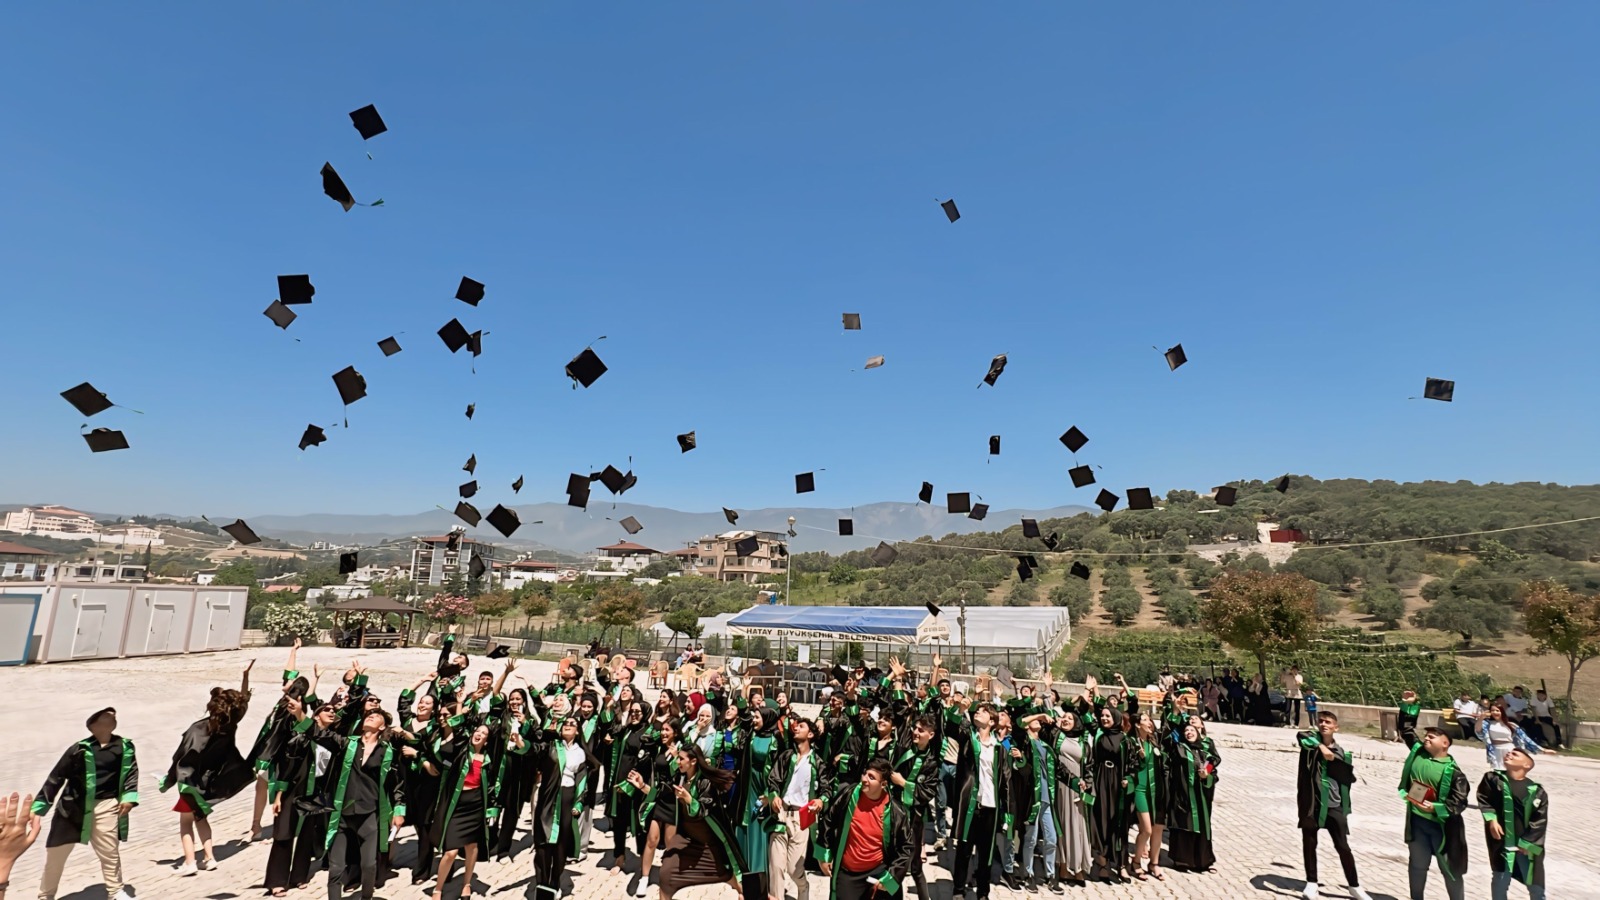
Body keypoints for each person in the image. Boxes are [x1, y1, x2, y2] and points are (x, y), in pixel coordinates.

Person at [158, 662, 256, 876]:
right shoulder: (230, 726)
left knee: (186, 822)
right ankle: (209, 858)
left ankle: (190, 862)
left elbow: (180, 757)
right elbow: (243, 703)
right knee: (201, 818)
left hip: (190, 783)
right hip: (210, 782)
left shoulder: (198, 729)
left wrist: (168, 780)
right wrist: (245, 678)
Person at [32, 707, 139, 900]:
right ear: (93, 726)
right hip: (72, 808)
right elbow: (57, 777)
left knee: (110, 851)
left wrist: (129, 797)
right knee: (56, 854)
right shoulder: (79, 749)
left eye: (113, 719)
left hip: (107, 805)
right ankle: (45, 895)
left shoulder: (125, 746)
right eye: (105, 719)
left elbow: (132, 773)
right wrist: (40, 806)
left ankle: (115, 891)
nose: (111, 721)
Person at [1296, 711, 1370, 900]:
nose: (1323, 724)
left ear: (1336, 727)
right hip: (1312, 804)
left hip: (1334, 805)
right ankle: (1311, 883)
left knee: (1343, 846)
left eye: (1328, 722)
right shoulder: (1310, 744)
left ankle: (1354, 885)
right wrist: (1321, 746)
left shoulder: (1341, 752)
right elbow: (1302, 736)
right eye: (1320, 721)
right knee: (1310, 843)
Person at [658, 743, 745, 900]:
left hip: (708, 845)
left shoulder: (705, 782)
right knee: (666, 875)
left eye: (681, 759)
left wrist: (689, 799)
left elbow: (704, 809)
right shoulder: (681, 777)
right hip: (688, 840)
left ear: (693, 761)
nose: (677, 762)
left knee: (734, 879)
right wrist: (642, 786)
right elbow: (662, 793)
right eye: (678, 758)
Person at [817, 758, 913, 900]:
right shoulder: (849, 796)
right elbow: (828, 820)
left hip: (879, 871)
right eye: (865, 774)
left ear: (884, 784)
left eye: (871, 777)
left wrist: (890, 879)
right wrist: (823, 856)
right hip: (849, 872)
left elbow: (906, 848)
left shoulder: (897, 812)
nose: (865, 779)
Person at [1399, 726, 1470, 900]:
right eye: (1426, 736)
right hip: (1417, 823)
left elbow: (1459, 801)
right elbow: (1406, 730)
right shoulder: (1418, 753)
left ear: (1445, 743)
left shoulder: (1454, 772)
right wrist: (1409, 706)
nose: (1426, 739)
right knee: (1417, 865)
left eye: (1432, 737)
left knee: (1450, 870)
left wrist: (1436, 808)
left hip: (1442, 828)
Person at [951, 700, 1012, 900]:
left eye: (984, 712)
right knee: (964, 849)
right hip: (969, 804)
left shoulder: (1000, 748)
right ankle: (958, 890)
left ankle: (983, 893)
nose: (978, 713)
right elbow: (950, 725)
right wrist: (960, 709)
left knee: (985, 853)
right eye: (977, 711)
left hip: (990, 807)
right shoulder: (969, 738)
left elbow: (1006, 782)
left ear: (992, 721)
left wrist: (1008, 814)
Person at [765, 716, 830, 900]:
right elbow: (773, 781)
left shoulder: (817, 762)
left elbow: (826, 789)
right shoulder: (786, 756)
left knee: (794, 870)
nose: (796, 728)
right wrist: (774, 796)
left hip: (802, 818)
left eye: (801, 726)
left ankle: (803, 889)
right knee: (776, 867)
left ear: (810, 734)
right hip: (781, 814)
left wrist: (821, 801)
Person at [1476, 748, 1548, 900]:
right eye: (1509, 752)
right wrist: (1491, 819)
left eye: (1515, 754)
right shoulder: (1493, 779)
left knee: (1535, 887)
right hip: (1502, 843)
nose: (1509, 754)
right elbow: (1484, 799)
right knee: (1500, 881)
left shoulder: (1537, 791)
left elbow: (1540, 821)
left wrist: (1527, 843)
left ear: (1527, 765)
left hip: (1526, 848)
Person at [1165, 722, 1215, 874]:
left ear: (1198, 732)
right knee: (1183, 825)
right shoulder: (1178, 748)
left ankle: (1202, 862)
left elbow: (1212, 769)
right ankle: (1182, 861)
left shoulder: (1205, 751)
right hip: (1183, 794)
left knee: (1201, 827)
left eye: (1192, 730)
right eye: (1186, 730)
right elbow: (1167, 734)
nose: (1189, 732)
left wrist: (1206, 775)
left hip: (1200, 796)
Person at [1475, 702, 1546, 771]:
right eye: (1492, 710)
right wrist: (1481, 718)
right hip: (1495, 750)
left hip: (1509, 749)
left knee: (1510, 771)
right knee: (1497, 771)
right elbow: (1478, 731)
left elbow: (1525, 738)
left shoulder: (1511, 725)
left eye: (1497, 710)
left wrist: (1543, 750)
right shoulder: (1487, 724)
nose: (1495, 712)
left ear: (1502, 712)